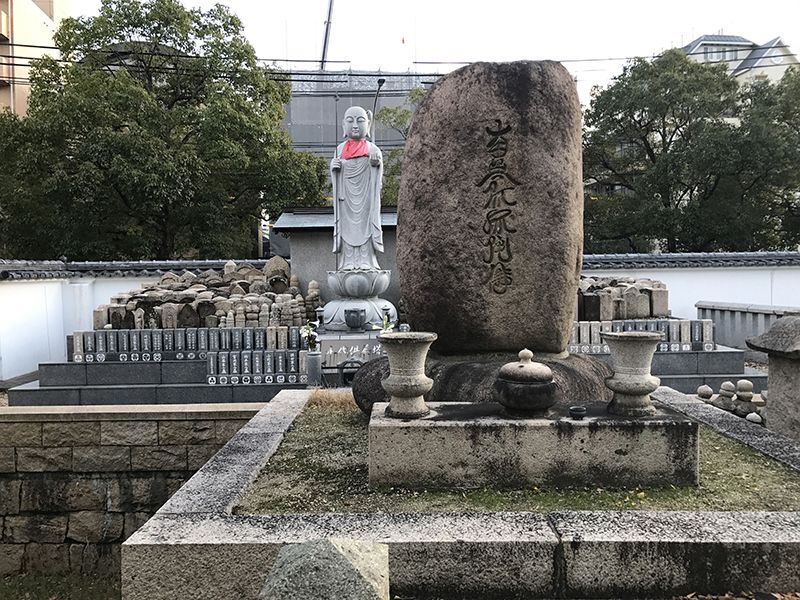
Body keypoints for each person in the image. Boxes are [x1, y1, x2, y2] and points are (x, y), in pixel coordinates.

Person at [331, 106, 384, 270]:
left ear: (368, 125)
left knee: (365, 227)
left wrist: (376, 164)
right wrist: (334, 168)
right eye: (350, 121)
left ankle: (366, 262)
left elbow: (378, 177)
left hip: (366, 200)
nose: (355, 125)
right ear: (343, 125)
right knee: (347, 229)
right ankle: (347, 262)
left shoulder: (372, 149)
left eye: (360, 121)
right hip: (345, 199)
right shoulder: (339, 150)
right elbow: (336, 173)